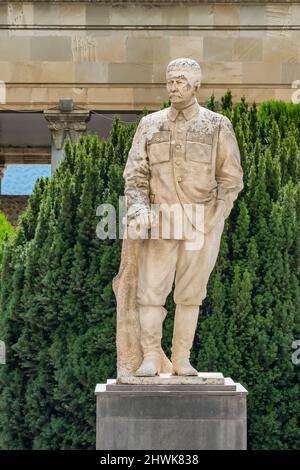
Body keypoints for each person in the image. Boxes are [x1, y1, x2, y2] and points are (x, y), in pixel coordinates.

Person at [123, 58, 243, 376]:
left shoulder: (217, 125)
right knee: (149, 294)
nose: (174, 87)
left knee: (190, 296)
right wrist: (137, 208)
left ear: (195, 85)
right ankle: (150, 356)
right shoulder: (149, 124)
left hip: (200, 225)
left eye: (180, 81)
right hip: (159, 223)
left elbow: (231, 180)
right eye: (170, 81)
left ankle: (182, 359)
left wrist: (214, 217)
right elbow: (135, 175)